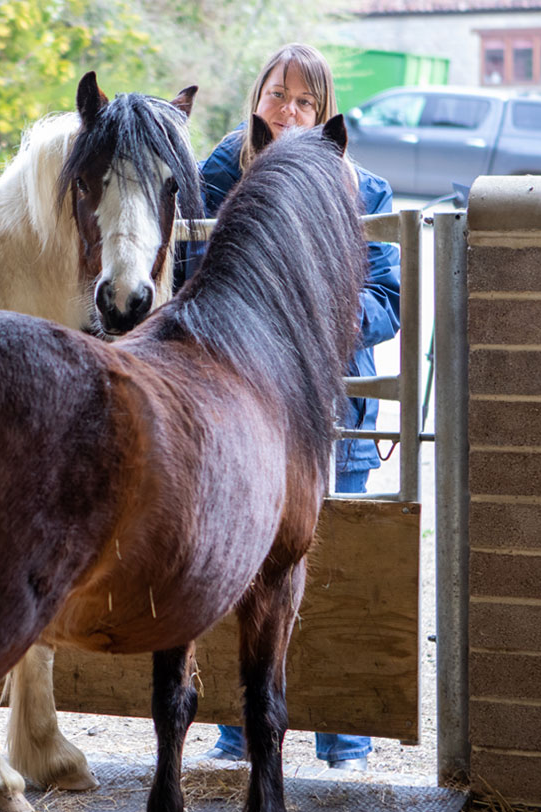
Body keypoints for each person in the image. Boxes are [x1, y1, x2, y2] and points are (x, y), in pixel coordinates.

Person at [190, 42, 401, 771]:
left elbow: (387, 304)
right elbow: (188, 270)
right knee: (242, 560)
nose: (288, 112)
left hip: (326, 419)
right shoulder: (221, 178)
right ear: (256, 98)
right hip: (241, 414)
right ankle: (237, 734)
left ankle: (344, 740)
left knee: (336, 569)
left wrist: (318, 315)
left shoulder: (363, 191)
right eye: (277, 95)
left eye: (305, 102)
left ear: (325, 112)